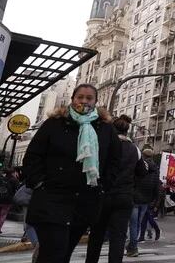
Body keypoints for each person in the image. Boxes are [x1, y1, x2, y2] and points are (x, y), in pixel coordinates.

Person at [23, 84, 121, 263]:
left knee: (64, 252)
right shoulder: (54, 123)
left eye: (89, 98)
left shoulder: (106, 128)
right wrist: (39, 183)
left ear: (96, 102)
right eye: (80, 97)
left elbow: (115, 161)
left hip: (85, 202)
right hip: (52, 199)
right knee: (55, 253)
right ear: (72, 99)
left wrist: (103, 186)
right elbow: (33, 155)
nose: (84, 101)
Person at [86, 115, 146, 262]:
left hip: (103, 194)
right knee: (118, 237)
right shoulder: (134, 149)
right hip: (124, 197)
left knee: (96, 235)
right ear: (127, 131)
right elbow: (142, 172)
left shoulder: (104, 144)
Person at [132, 147, 160, 247]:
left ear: (143, 155)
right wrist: (156, 200)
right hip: (148, 197)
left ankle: (134, 242)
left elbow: (135, 179)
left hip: (137, 196)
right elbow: (157, 185)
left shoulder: (141, 165)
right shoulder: (156, 168)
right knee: (140, 220)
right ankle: (138, 239)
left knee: (135, 222)